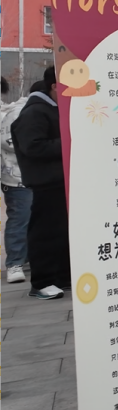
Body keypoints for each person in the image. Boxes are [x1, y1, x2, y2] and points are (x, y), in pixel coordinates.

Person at [12, 73, 71, 300]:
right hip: (46, 182)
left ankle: (62, 277)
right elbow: (33, 147)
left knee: (62, 232)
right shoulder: (35, 111)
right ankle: (42, 282)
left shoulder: (52, 108)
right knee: (45, 233)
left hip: (60, 181)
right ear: (55, 86)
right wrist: (69, 141)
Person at [2, 77, 33, 284]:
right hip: (16, 177)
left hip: (30, 175)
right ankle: (14, 262)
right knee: (20, 219)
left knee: (31, 218)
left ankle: (25, 256)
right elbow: (8, 141)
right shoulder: (16, 113)